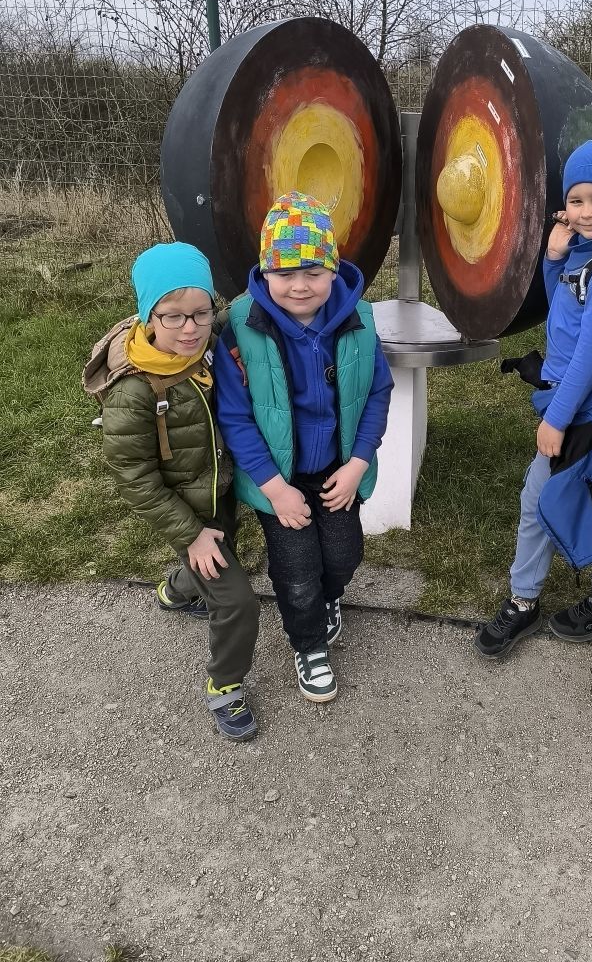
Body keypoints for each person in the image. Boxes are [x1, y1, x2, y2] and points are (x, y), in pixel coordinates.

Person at [474, 138, 592, 659]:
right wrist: (554, 258)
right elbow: (564, 314)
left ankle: (551, 601)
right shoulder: (588, 256)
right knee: (581, 499)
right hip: (580, 404)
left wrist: (555, 418)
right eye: (576, 200)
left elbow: (590, 358)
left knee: (574, 501)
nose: (586, 212)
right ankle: (570, 598)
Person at [215, 192, 392, 704]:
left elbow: (377, 392)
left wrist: (358, 463)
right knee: (296, 571)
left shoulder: (361, 320)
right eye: (284, 272)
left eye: (313, 271)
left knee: (344, 555)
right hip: (278, 477)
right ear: (264, 271)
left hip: (337, 471)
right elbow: (235, 416)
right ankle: (309, 645)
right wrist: (275, 489)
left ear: (333, 270)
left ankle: (330, 599)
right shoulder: (240, 327)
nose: (299, 285)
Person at [83, 243, 260, 742]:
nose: (190, 328)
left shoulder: (208, 341)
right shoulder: (134, 391)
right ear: (149, 315)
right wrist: (190, 535)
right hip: (184, 509)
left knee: (220, 552)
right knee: (238, 602)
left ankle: (175, 591)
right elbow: (134, 476)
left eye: (201, 312)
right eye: (173, 316)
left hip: (218, 491)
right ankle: (225, 684)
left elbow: (246, 305)